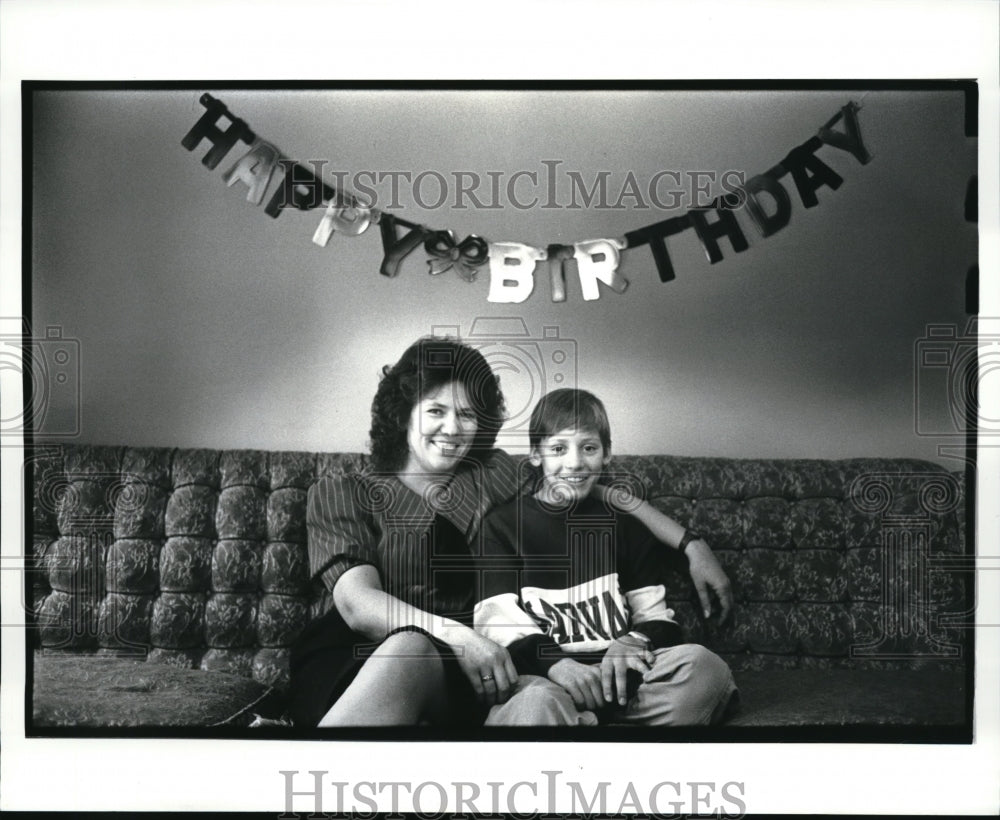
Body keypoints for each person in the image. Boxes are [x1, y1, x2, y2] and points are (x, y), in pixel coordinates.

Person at [289, 337, 733, 727]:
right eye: (436, 410)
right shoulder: (343, 490)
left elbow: (586, 482)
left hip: (476, 671)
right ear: (404, 413)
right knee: (411, 649)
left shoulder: (493, 473)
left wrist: (692, 545)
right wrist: (461, 637)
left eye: (467, 414)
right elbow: (356, 603)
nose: (452, 428)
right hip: (367, 657)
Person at [475, 388, 738, 726]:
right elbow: (499, 624)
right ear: (536, 455)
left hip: (622, 681)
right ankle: (578, 727)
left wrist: (634, 641)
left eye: (589, 448)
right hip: (547, 678)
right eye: (558, 449)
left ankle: (593, 726)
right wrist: (559, 666)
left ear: (606, 454)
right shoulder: (501, 525)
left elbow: (658, 619)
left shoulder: (624, 524)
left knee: (704, 666)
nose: (574, 462)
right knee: (534, 704)